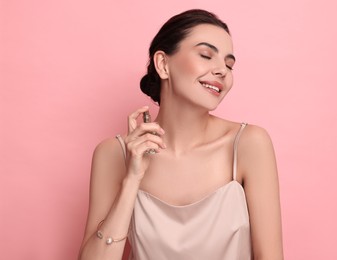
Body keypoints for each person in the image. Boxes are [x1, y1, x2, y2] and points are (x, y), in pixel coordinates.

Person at [79, 9, 283, 260]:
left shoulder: (249, 144)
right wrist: (132, 180)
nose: (222, 71)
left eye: (229, 65)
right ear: (163, 64)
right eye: (206, 55)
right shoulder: (114, 154)